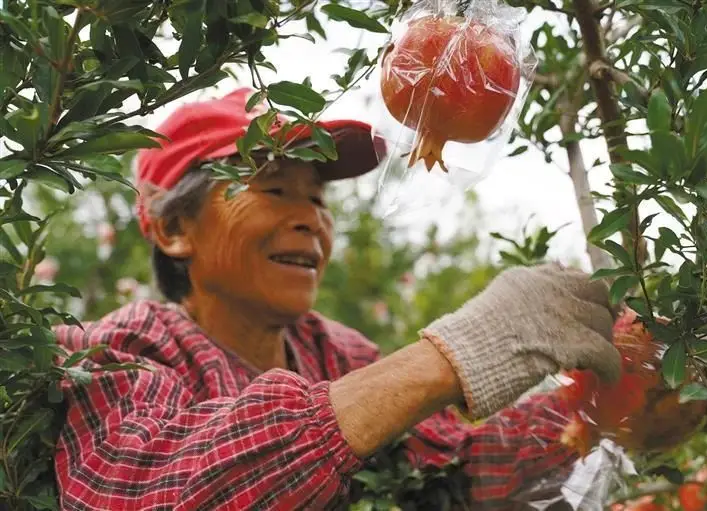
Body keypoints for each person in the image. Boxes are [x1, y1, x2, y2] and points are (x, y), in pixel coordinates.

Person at [53, 88, 623, 510]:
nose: (310, 221)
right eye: (275, 190)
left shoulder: (337, 353)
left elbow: (453, 467)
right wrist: (453, 354)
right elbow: (134, 487)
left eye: (318, 198)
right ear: (175, 227)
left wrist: (601, 413)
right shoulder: (123, 350)